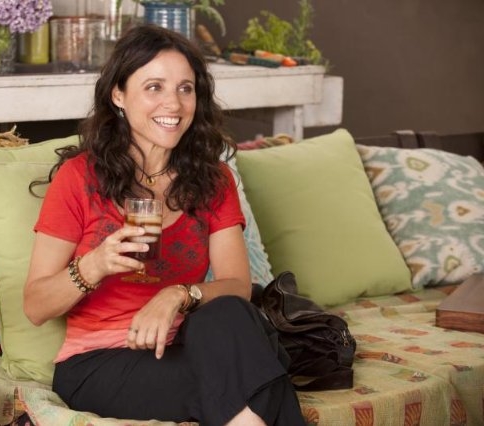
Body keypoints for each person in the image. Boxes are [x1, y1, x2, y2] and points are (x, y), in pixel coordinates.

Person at [23, 24, 305, 426]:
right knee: (259, 371)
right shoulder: (79, 178)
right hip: (100, 362)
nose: (173, 103)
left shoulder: (213, 180)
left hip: (189, 345)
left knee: (229, 314)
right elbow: (35, 307)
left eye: (185, 89)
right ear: (118, 95)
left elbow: (237, 286)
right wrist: (95, 264)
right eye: (154, 87)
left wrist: (176, 295)